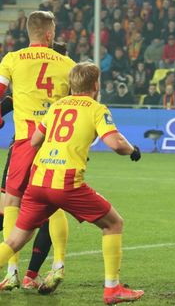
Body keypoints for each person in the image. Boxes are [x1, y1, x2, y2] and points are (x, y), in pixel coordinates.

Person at [0, 62, 144, 304]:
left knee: (14, 240)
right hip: (66, 183)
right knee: (114, 223)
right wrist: (132, 150)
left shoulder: (57, 106)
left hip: (38, 182)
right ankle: (112, 289)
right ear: (96, 85)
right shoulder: (96, 108)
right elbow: (116, 143)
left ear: (71, 84)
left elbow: (35, 141)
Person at [0, 11, 75, 291]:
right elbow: (79, 104)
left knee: (11, 203)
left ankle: (12, 272)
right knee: (53, 204)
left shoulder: (12, 59)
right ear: (49, 34)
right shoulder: (68, 64)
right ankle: (58, 265)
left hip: (24, 141)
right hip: (55, 142)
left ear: (28, 32)